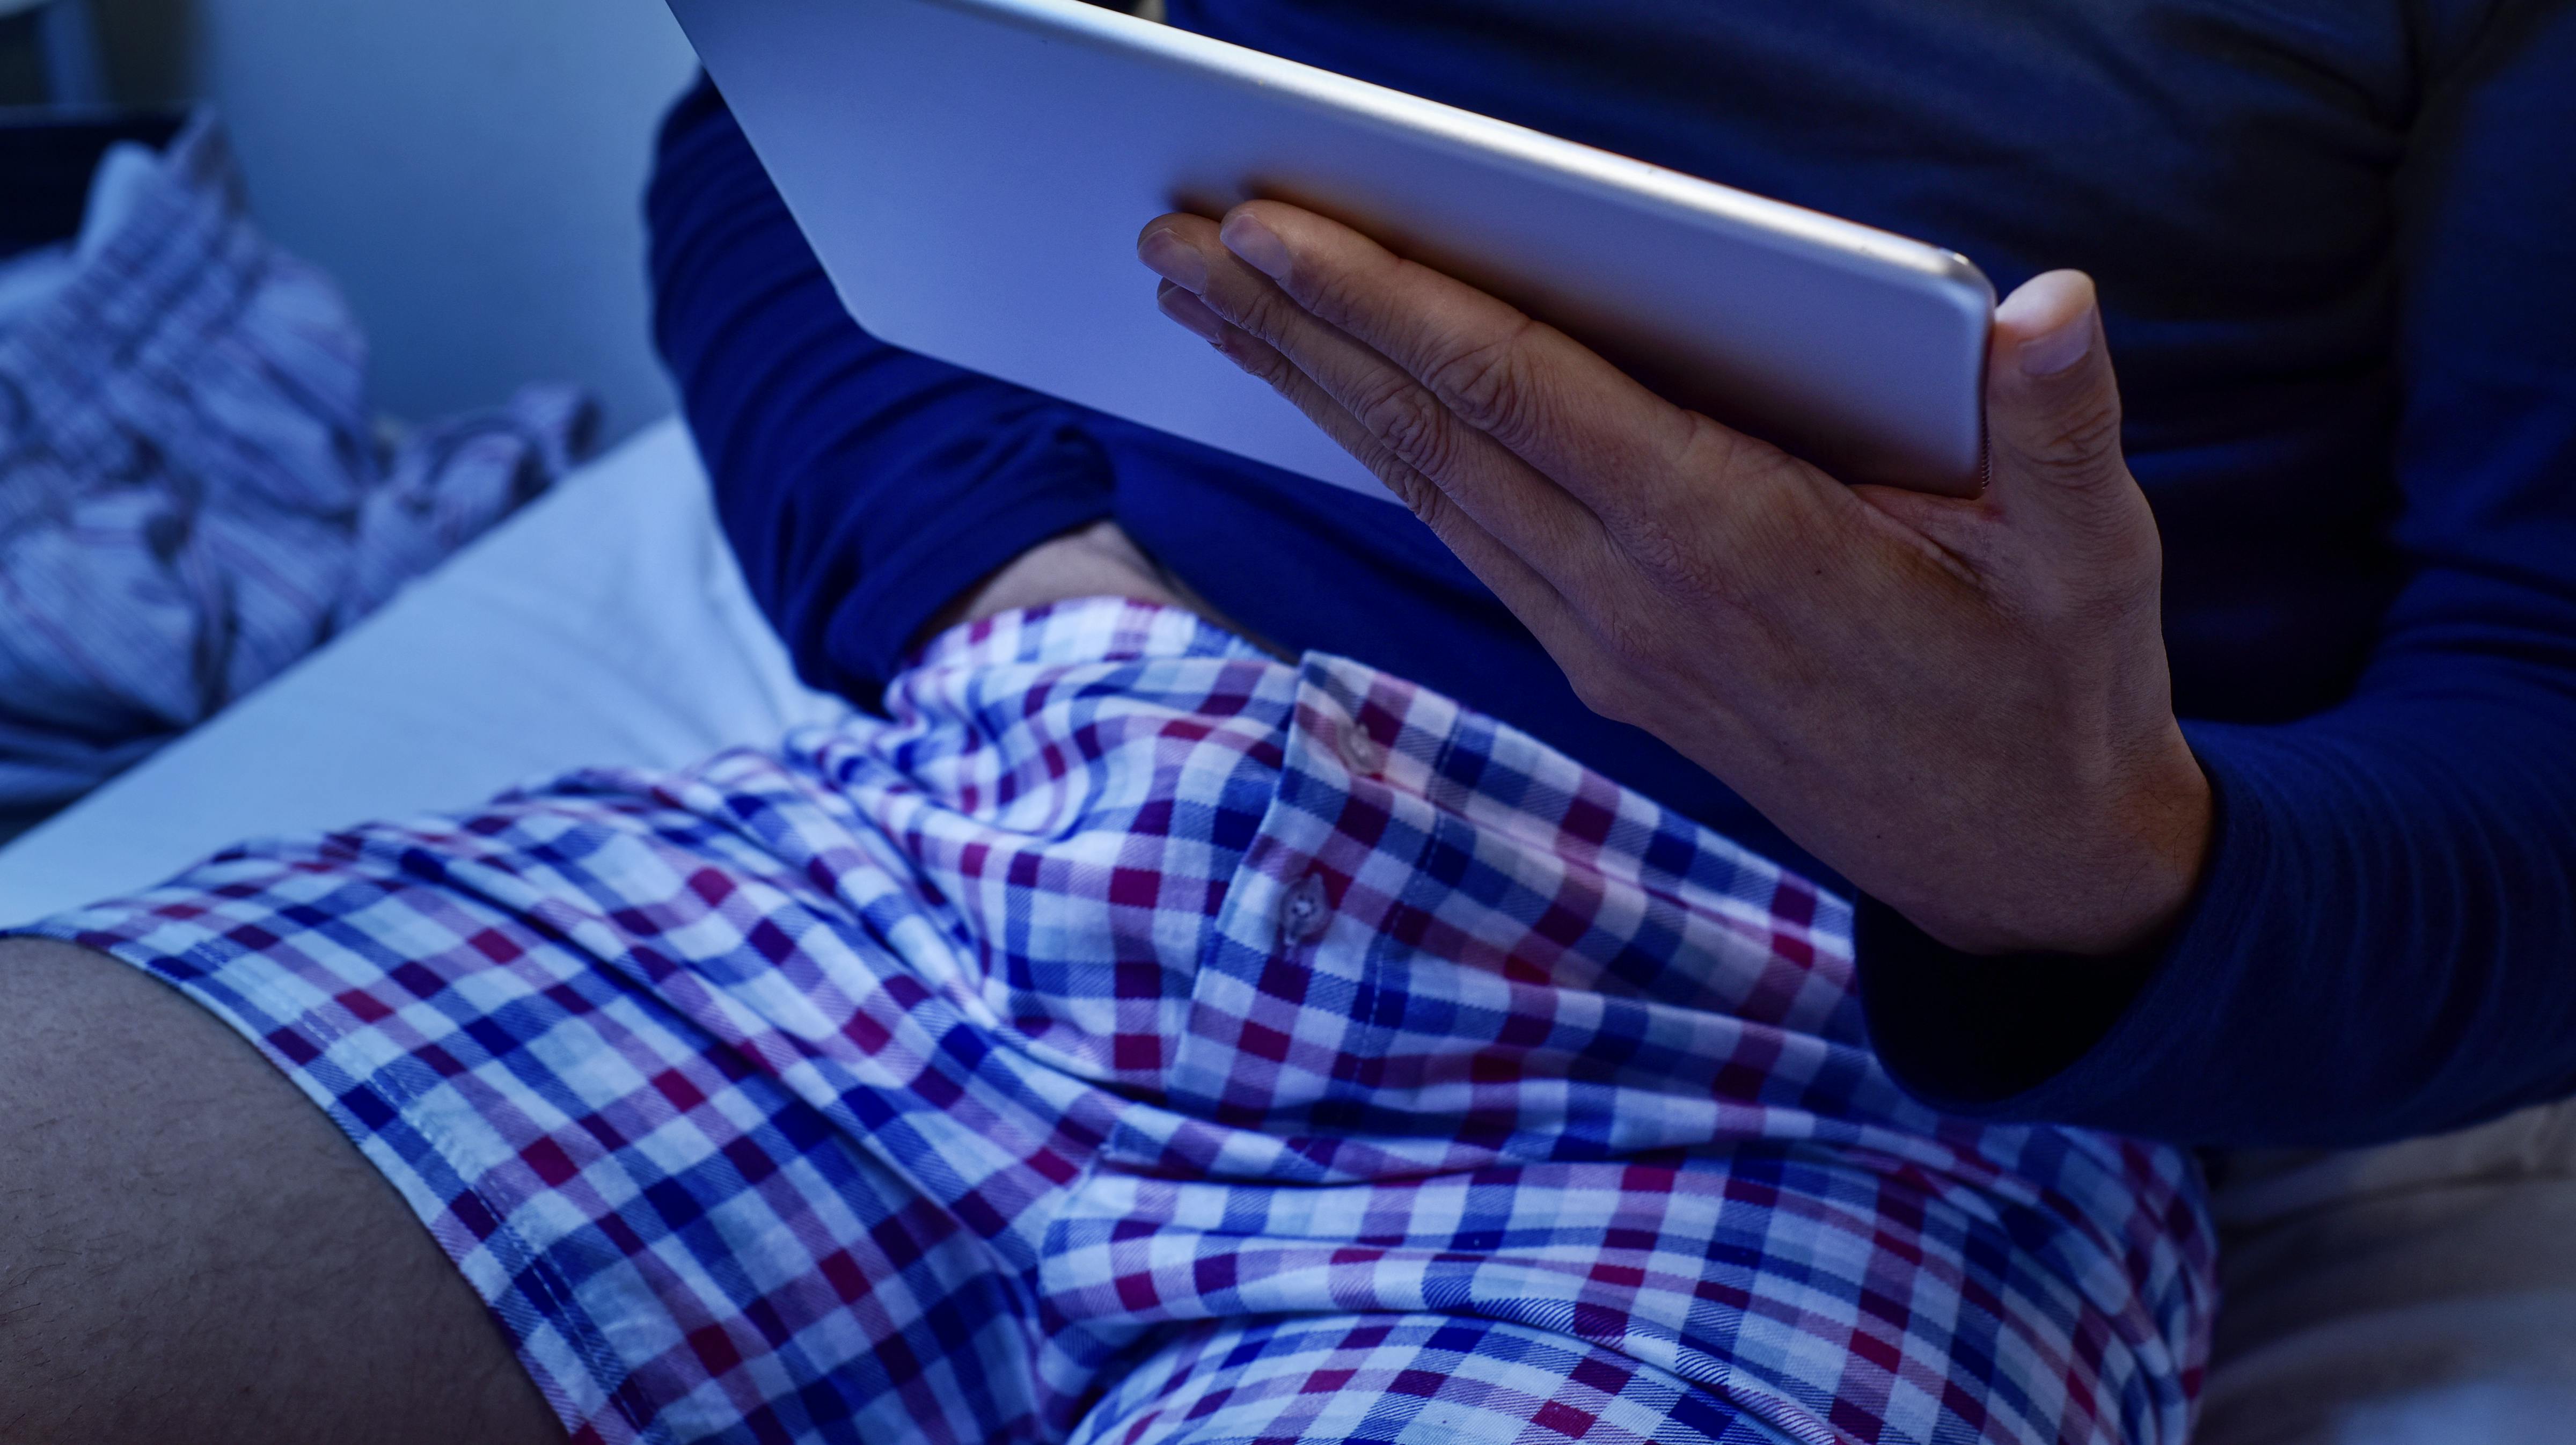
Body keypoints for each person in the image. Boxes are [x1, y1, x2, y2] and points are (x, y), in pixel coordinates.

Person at [2, 2, 2570, 1442]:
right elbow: (810, 133)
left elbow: (2544, 732)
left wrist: (2084, 852)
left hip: (1808, 1094)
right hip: (1006, 812)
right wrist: (999, 584)